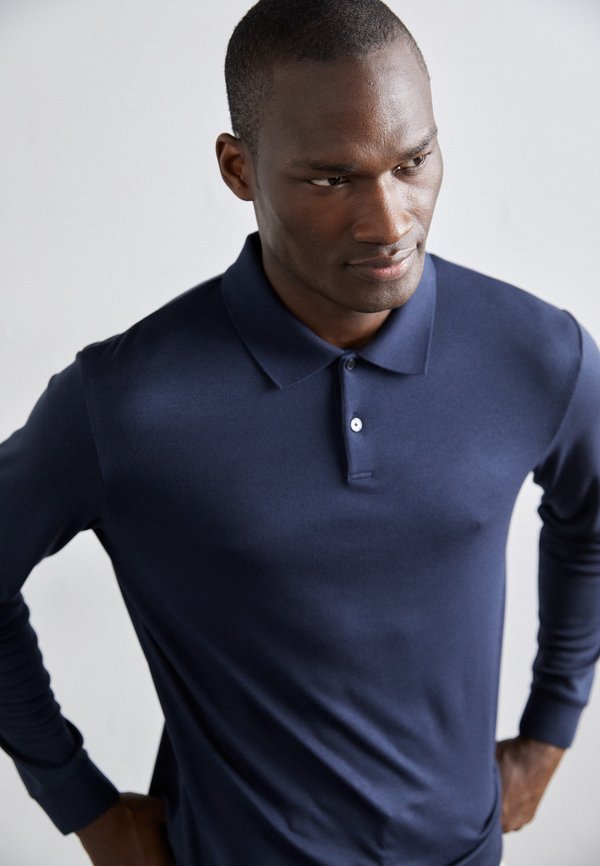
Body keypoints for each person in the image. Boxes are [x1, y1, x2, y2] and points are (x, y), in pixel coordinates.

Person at [1, 1, 599, 864]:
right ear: (238, 169)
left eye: (413, 162)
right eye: (330, 180)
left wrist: (550, 730)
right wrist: (79, 801)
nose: (389, 222)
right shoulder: (123, 403)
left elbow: (589, 516)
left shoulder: (537, 354)